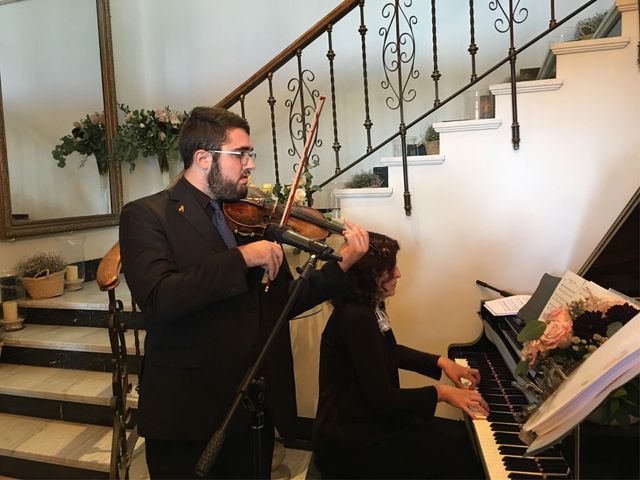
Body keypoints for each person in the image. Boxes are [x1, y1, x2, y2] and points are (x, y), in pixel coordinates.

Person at [119, 106, 369, 479]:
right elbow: (160, 298)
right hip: (188, 416)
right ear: (203, 158)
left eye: (250, 154)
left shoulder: (247, 218)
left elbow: (279, 302)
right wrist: (240, 258)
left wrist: (342, 266)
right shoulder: (146, 215)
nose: (250, 164)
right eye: (241, 154)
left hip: (252, 414)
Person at [313, 232, 489, 479]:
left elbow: (386, 351)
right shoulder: (356, 317)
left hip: (369, 424)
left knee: (460, 443)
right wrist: (443, 393)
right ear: (369, 275)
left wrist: (441, 362)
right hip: (352, 441)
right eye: (390, 267)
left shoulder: (368, 305)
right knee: (464, 457)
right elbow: (383, 401)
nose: (398, 274)